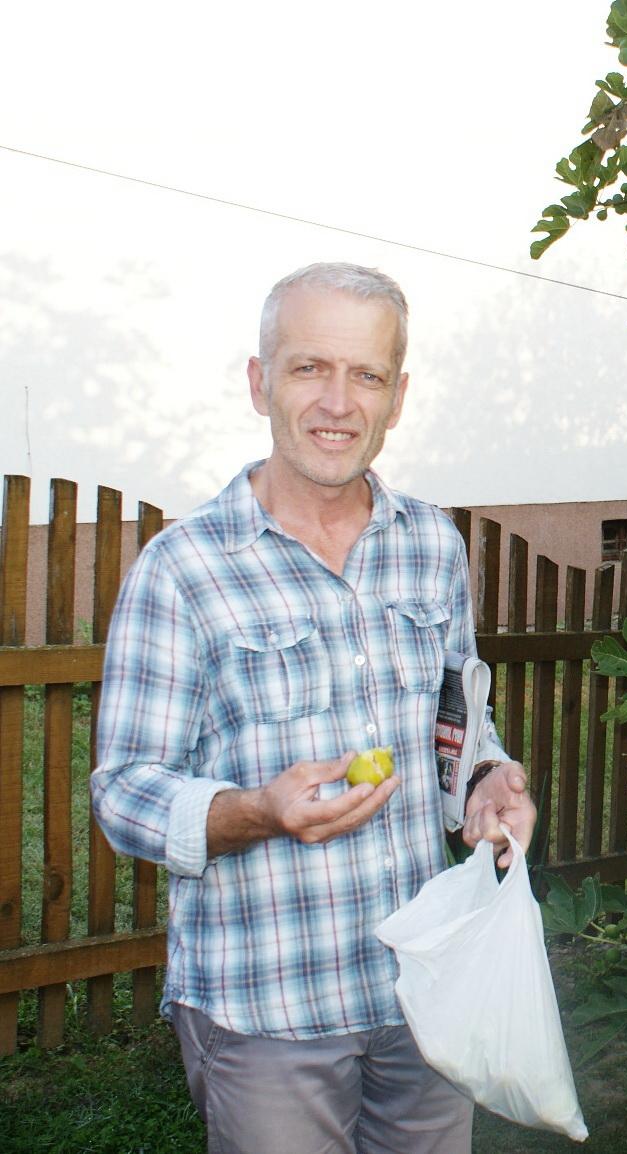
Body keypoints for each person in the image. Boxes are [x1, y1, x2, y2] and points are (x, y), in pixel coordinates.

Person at [91, 262, 537, 1154]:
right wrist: (256, 811)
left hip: (424, 985)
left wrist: (484, 778)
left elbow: (459, 714)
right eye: (308, 368)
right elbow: (123, 791)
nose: (338, 401)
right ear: (260, 382)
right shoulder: (184, 568)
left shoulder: (431, 547)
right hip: (268, 1009)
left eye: (366, 375)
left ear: (397, 396)